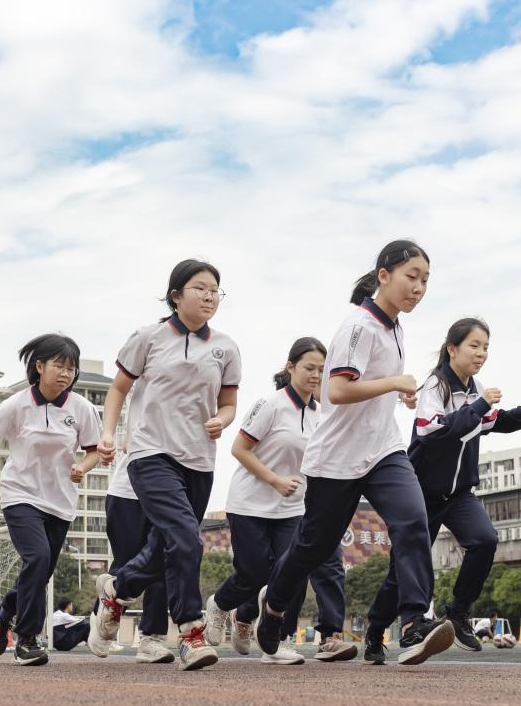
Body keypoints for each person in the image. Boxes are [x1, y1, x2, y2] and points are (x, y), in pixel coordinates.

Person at [254, 240, 456, 668]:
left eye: (425, 281)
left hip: (383, 449)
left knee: (413, 521)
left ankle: (415, 621)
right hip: (337, 458)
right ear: (383, 275)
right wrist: (395, 383)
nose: (419, 288)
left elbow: (371, 386)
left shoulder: (395, 327)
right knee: (313, 547)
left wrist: (396, 393)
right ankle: (272, 607)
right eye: (411, 277)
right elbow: (338, 390)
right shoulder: (359, 326)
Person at [88, 259, 241, 671]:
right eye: (200, 288)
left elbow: (228, 403)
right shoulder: (148, 338)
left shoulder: (226, 347)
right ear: (176, 296)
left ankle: (116, 591)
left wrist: (222, 419)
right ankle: (190, 632)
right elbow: (118, 389)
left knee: (166, 545)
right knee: (187, 539)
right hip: (150, 453)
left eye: (215, 290)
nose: (209, 296)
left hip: (199, 460)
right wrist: (107, 434)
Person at [366, 317, 521, 652]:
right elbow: (431, 430)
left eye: (486, 347)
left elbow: (491, 422)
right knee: (403, 571)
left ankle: (458, 612)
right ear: (452, 349)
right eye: (474, 346)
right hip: (422, 493)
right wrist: (479, 406)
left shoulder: (475, 388)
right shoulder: (437, 386)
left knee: (485, 540)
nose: (481, 354)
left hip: (459, 493)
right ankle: (376, 631)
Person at [204, 337, 354, 666]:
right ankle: (221, 604)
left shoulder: (322, 414)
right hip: (250, 504)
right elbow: (239, 449)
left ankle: (277, 642)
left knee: (294, 572)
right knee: (254, 573)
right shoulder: (270, 405)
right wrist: (274, 479)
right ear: (290, 367)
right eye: (309, 368)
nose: (316, 375)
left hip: (293, 508)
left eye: (322, 370)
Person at [0, 335, 101, 666]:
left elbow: (93, 452)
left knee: (40, 572)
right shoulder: (15, 405)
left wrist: (82, 467)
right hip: (20, 494)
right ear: (40, 366)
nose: (66, 373)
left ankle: (4, 612)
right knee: (38, 557)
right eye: (59, 365)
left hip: (60, 501)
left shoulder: (82, 408)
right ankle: (27, 639)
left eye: (71, 368)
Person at [100, 454, 173, 664]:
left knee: (162, 562)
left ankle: (152, 637)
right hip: (127, 493)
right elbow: (127, 443)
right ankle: (103, 618)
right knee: (125, 563)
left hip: (166, 495)